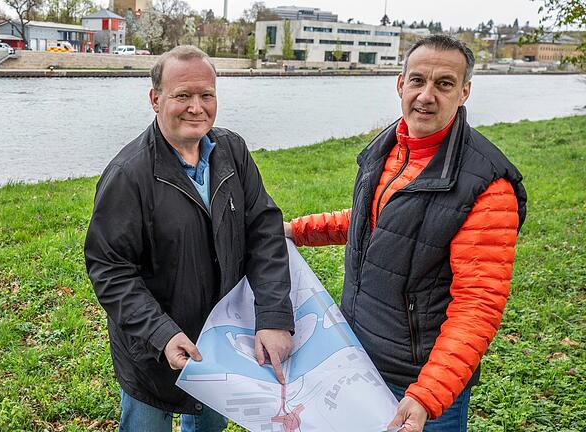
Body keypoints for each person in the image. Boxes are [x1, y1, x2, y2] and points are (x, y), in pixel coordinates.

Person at [285, 35, 527, 432]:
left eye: (444, 84)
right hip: (359, 361)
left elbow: (478, 305)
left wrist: (427, 393)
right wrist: (294, 230)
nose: (426, 96)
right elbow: (373, 220)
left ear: (464, 92)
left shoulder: (487, 186)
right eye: (417, 81)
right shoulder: (391, 150)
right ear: (400, 84)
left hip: (419, 384)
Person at [85, 45, 294, 432]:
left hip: (220, 346)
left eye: (206, 95)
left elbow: (264, 231)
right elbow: (110, 270)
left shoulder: (232, 151)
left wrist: (274, 316)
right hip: (151, 352)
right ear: (156, 99)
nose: (196, 107)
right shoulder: (128, 175)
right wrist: (162, 334)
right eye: (182, 96)